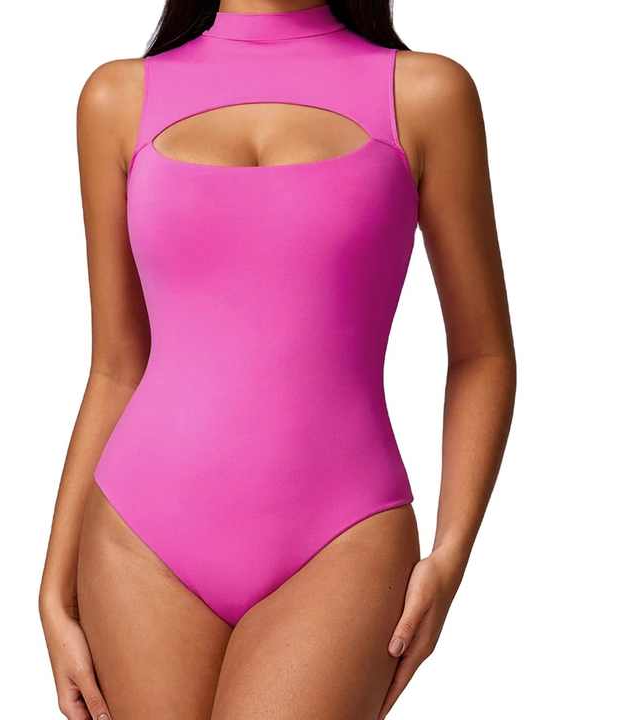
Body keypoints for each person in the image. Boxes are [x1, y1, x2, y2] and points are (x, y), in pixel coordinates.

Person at [39, 2, 516, 718]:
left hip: (343, 538)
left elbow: (482, 353)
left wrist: (449, 557)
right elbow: (115, 366)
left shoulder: (424, 94)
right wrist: (53, 591)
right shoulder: (116, 98)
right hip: (138, 537)